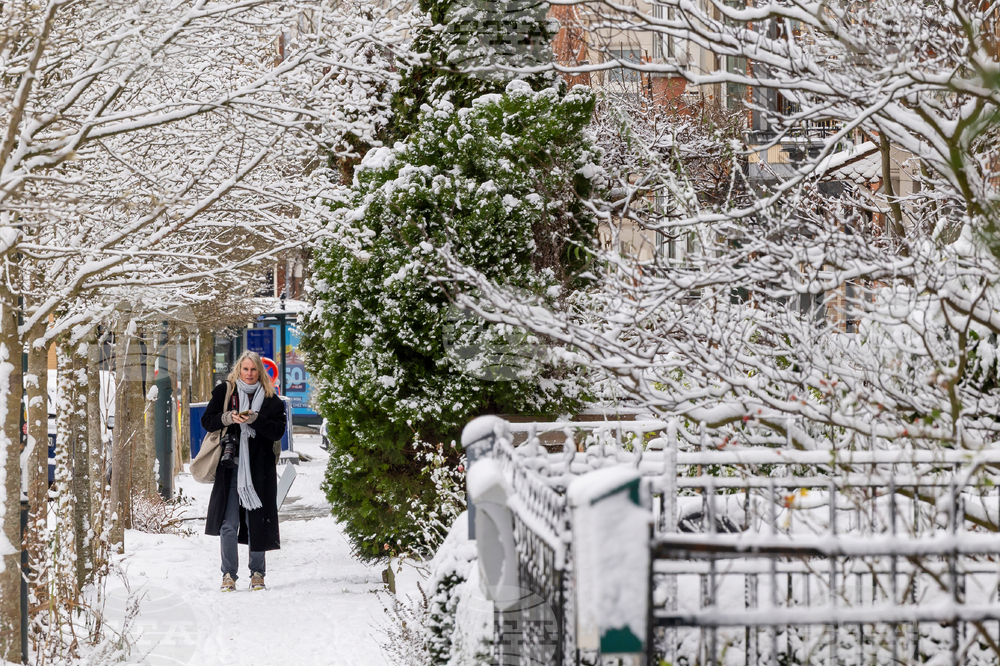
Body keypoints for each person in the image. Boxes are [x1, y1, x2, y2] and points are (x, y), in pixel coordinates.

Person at [201, 350, 286, 592]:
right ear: (239, 370)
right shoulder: (225, 392)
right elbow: (208, 420)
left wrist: (255, 419)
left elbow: (277, 431)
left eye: (253, 370)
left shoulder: (271, 399)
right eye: (245, 369)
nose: (249, 374)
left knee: (256, 520)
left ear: (260, 372)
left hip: (259, 470)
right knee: (228, 523)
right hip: (230, 467)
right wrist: (228, 418)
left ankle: (257, 573)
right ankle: (228, 574)